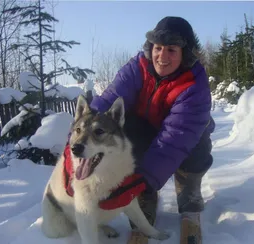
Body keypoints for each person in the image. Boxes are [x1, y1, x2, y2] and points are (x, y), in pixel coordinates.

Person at [91, 16, 215, 224]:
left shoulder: (194, 85)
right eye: (158, 48)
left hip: (182, 139)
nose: (162, 57)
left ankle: (188, 187)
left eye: (171, 50)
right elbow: (107, 104)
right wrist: (79, 138)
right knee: (126, 129)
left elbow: (173, 140)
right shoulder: (136, 68)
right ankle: (144, 198)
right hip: (146, 129)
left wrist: (143, 181)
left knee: (197, 139)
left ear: (184, 55)